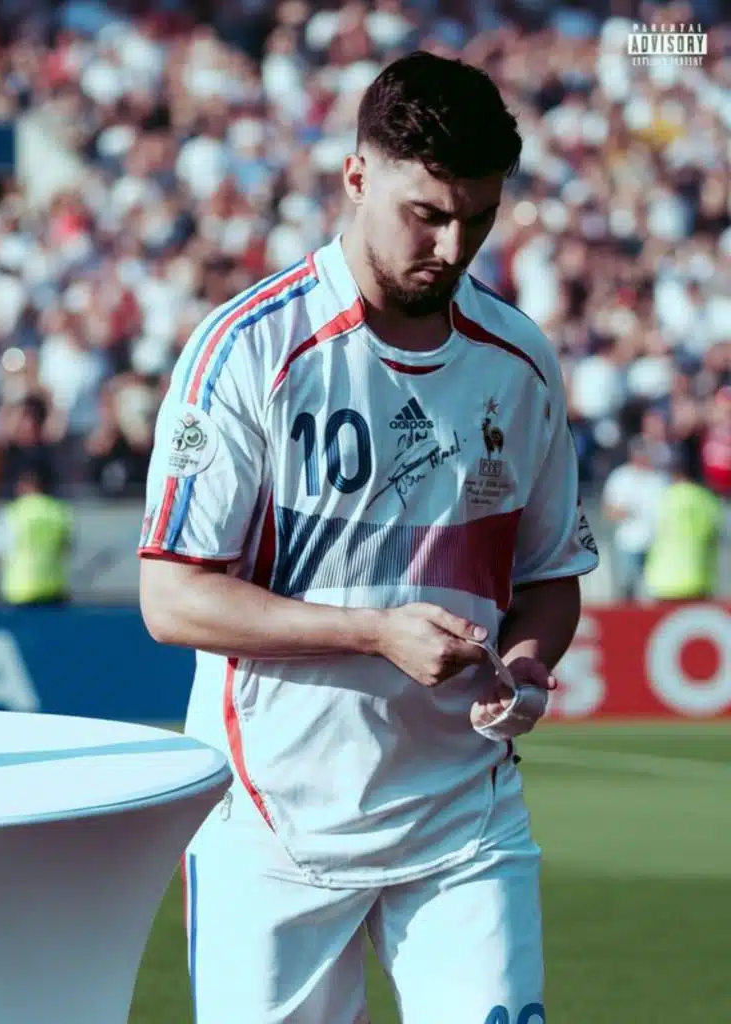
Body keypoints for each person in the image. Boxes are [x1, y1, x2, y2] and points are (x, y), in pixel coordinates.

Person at [137, 51, 598, 1024]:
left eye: (478, 217)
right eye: (426, 213)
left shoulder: (518, 361)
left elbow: (550, 576)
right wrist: (375, 632)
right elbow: (172, 598)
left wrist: (526, 663)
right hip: (272, 824)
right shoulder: (248, 349)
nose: (452, 244)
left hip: (463, 816)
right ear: (356, 176)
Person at [644, 452, 722, 602]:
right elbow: (716, 532)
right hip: (699, 578)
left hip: (664, 579)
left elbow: (648, 531)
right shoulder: (708, 499)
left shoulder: (664, 497)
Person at [0, 469, 73, 606]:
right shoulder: (59, 511)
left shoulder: (14, 512)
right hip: (53, 589)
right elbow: (67, 547)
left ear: (25, 486)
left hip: (19, 590)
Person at [601, 436, 668, 600]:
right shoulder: (620, 477)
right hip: (628, 543)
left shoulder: (660, 479)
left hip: (656, 543)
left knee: (653, 591)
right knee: (627, 588)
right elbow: (608, 510)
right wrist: (626, 512)